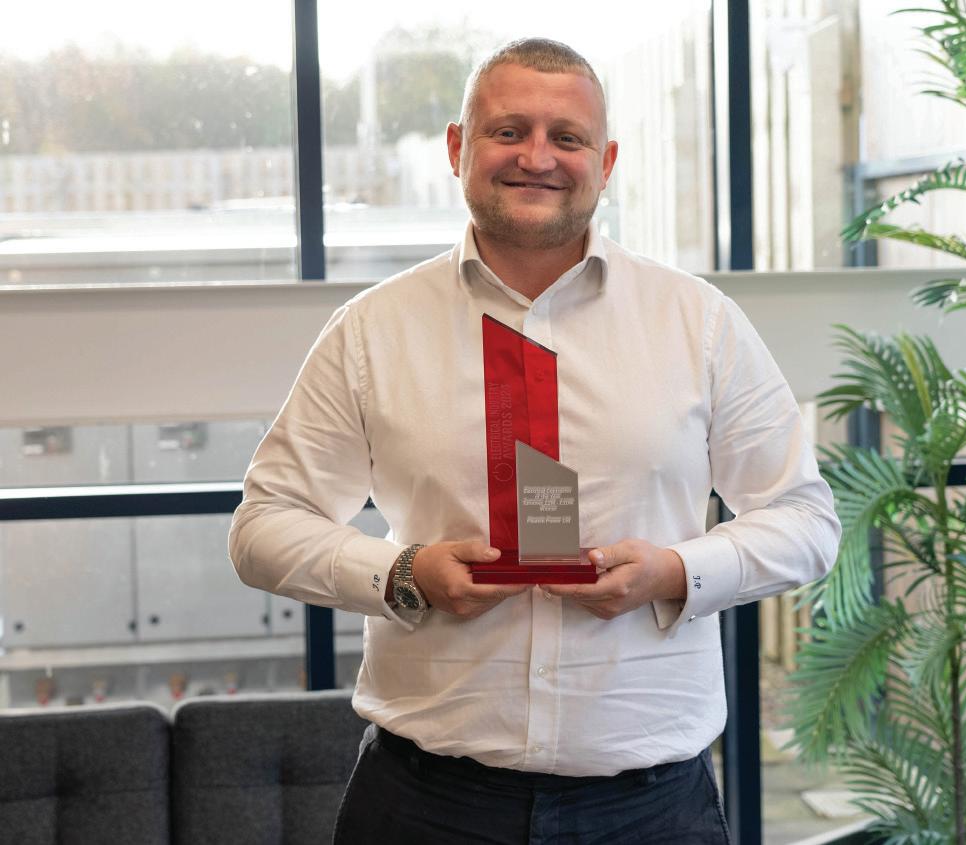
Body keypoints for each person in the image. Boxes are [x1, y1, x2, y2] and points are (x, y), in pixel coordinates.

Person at [229, 37, 840, 844]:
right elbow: (262, 528)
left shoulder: (699, 323)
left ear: (605, 162)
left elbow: (806, 521)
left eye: (568, 137)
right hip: (425, 803)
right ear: (458, 147)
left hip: (652, 810)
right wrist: (404, 573)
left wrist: (673, 572)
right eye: (508, 131)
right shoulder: (371, 331)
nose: (537, 157)